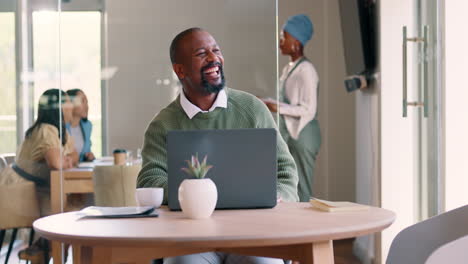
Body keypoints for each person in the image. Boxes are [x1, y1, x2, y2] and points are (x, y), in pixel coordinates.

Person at [137, 27, 298, 264]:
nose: (213, 58)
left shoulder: (252, 109)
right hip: (188, 240)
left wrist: (277, 195)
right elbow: (150, 180)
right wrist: (195, 195)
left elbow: (285, 171)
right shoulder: (162, 125)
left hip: (253, 235)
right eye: (202, 53)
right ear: (179, 70)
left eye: (216, 50)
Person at [0, 89, 78, 262]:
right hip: (20, 198)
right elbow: (57, 163)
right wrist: (66, 160)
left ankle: (44, 248)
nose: (72, 106)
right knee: (75, 213)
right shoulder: (46, 129)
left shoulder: (61, 132)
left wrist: (67, 159)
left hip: (33, 193)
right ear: (56, 108)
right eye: (67, 102)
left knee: (76, 206)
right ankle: (48, 250)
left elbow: (75, 155)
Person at [263, 14, 321, 202]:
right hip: (291, 133)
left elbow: (308, 109)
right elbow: (288, 102)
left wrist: (275, 107)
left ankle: (305, 229)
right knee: (290, 186)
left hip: (303, 135)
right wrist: (267, 102)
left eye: (284, 37)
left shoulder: (307, 70)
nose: (280, 42)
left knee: (302, 187)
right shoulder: (289, 68)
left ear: (296, 41)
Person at [66, 88, 95, 162]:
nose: (87, 106)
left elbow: (86, 151)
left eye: (87, 102)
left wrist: (88, 156)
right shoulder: (61, 127)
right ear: (70, 103)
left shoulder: (87, 126)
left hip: (80, 171)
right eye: (82, 101)